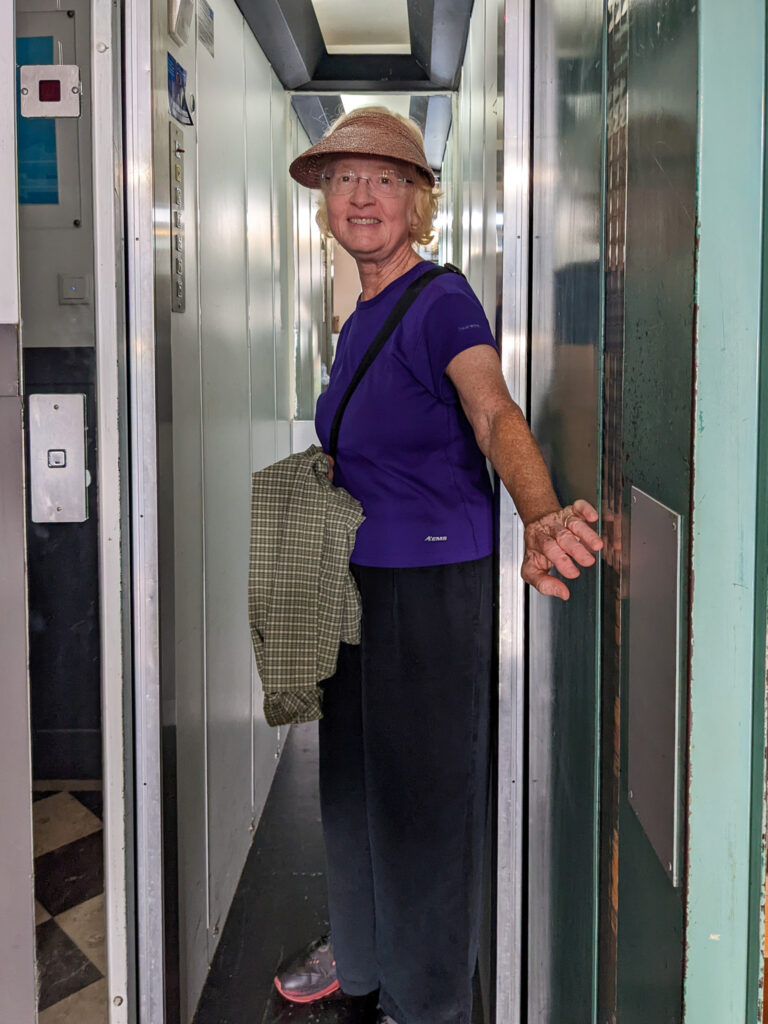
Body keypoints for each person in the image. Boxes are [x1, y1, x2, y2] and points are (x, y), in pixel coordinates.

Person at [275, 107, 603, 1024]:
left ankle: (426, 1004)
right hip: (352, 584)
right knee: (349, 787)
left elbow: (493, 412)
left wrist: (539, 515)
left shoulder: (440, 301)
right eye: (345, 180)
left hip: (427, 588)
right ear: (326, 205)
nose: (362, 196)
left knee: (424, 813)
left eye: (385, 180)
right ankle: (364, 957)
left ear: (418, 201)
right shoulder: (358, 316)